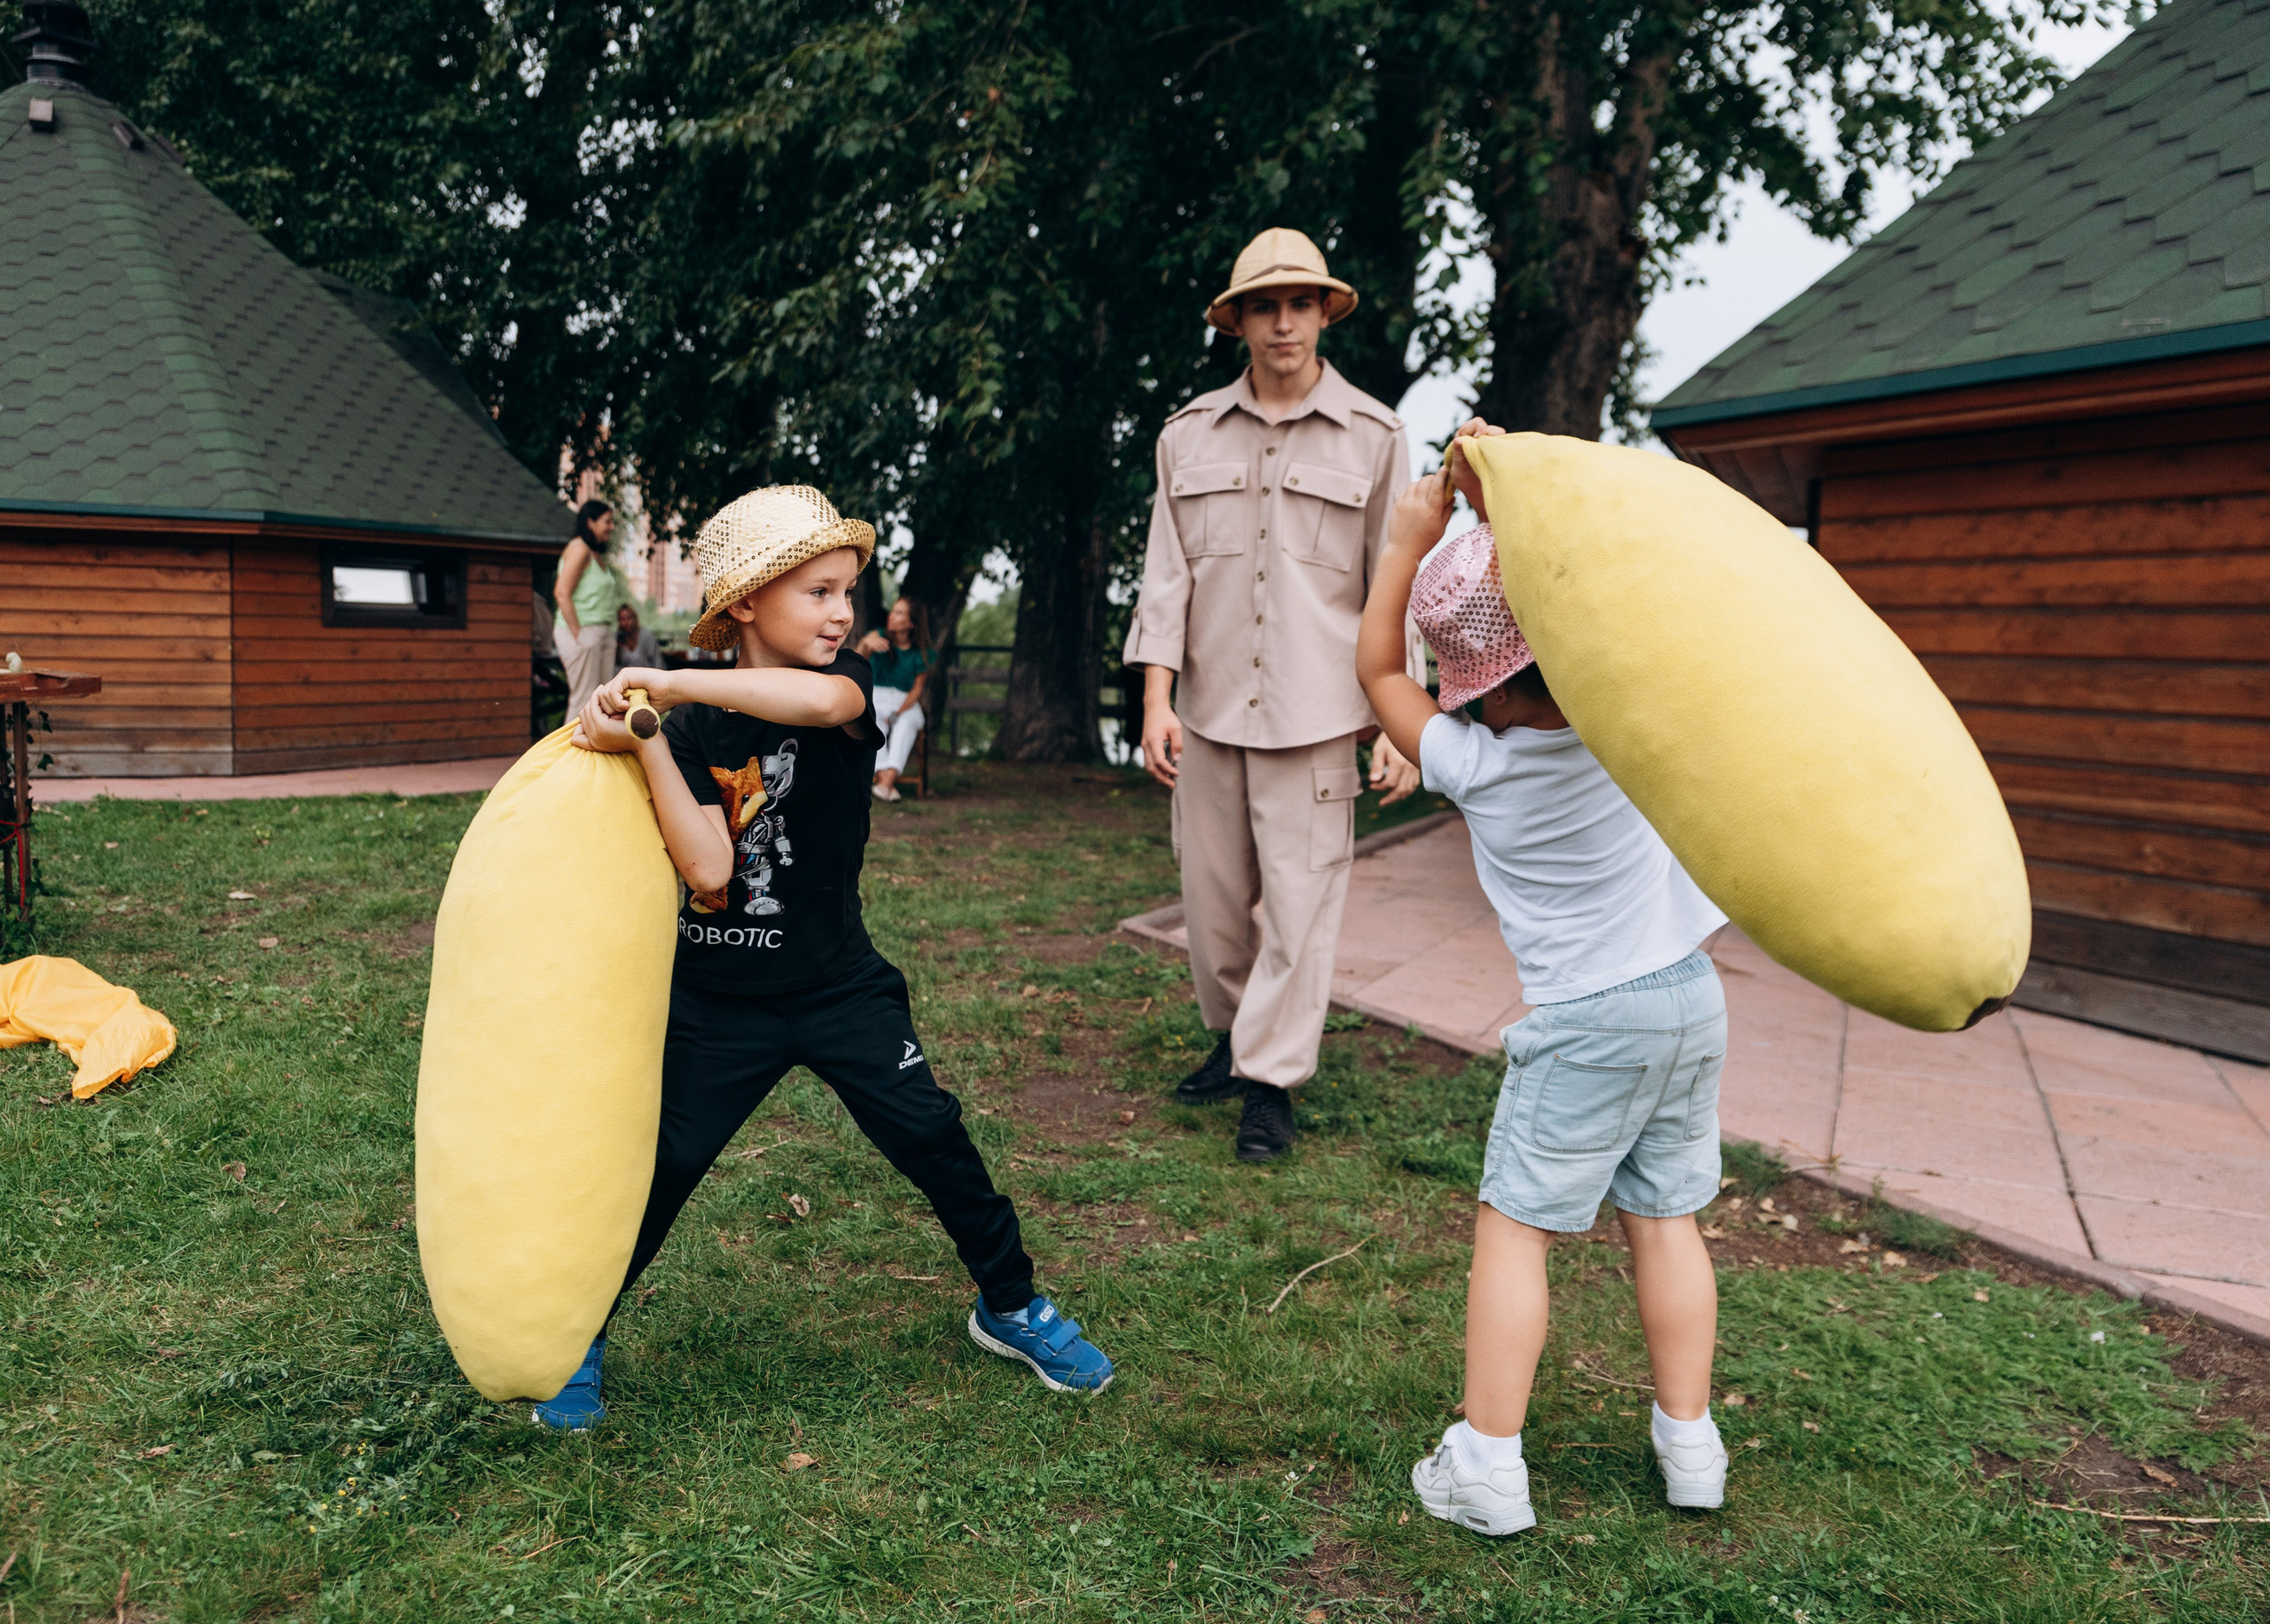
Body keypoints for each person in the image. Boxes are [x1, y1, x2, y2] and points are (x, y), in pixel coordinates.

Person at [546, 484, 1113, 1429]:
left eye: (846, 588)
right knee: (659, 1168)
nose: (842, 609)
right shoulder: (686, 731)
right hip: (719, 997)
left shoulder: (843, 686)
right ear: (744, 606)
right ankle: (576, 1335)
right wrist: (648, 734)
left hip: (838, 984)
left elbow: (819, 700)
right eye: (815, 591)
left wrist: (671, 680)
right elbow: (707, 864)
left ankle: (1009, 1302)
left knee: (932, 1135)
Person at [1356, 433, 1734, 1533]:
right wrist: (1518, 513)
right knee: (1666, 1220)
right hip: (1690, 1001)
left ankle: (1484, 1464)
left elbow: (1378, 669)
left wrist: (1405, 542)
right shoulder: (1640, 736)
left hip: (1587, 1022)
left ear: (1474, 686)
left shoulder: (1479, 768)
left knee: (1515, 1225)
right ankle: (1691, 1447)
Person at [1124, 225, 1428, 1164]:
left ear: (1323, 313)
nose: (1284, 321)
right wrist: (1155, 700)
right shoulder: (1186, 435)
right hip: (1209, 710)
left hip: (1316, 716)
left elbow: (1398, 579)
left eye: (1300, 302)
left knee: (1300, 911)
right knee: (1211, 905)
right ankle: (1233, 1035)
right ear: (1239, 321)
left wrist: (1398, 719)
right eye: (1265, 304)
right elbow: (1165, 575)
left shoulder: (1375, 436)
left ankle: (1271, 1083)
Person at [856, 596, 931, 801]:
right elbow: (854, 666)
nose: (891, 616)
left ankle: (885, 782)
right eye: (893, 611)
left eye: (899, 613)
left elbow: (917, 690)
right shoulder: (878, 636)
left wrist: (899, 712)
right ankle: (886, 783)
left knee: (907, 724)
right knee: (873, 721)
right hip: (876, 695)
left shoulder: (921, 653)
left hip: (905, 702)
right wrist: (864, 644)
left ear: (912, 623)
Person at [554, 500, 623, 717]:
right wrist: (579, 635)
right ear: (590, 522)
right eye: (607, 521)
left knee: (601, 701)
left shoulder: (594, 554)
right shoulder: (579, 549)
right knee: (583, 701)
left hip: (601, 633)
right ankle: (565, 752)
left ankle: (594, 751)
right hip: (582, 630)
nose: (611, 527)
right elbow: (561, 592)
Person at [616, 602, 664, 673]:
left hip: (647, 678)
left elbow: (658, 662)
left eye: (628, 618)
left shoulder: (646, 636)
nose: (626, 622)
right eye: (622, 619)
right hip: (626, 680)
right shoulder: (617, 638)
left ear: (634, 618)